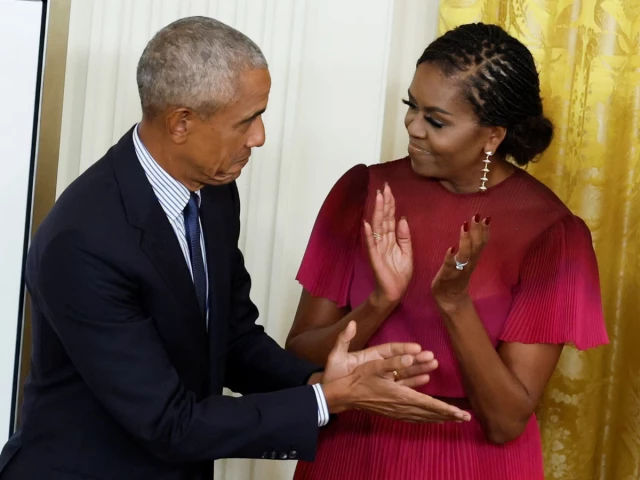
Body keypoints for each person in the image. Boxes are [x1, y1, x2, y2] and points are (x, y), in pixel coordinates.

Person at [0, 17, 472, 480]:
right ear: (181, 123)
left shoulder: (215, 190)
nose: (259, 137)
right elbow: (169, 423)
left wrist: (320, 380)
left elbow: (232, 339)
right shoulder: (83, 241)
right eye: (247, 120)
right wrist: (328, 400)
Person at [286, 22, 609, 480]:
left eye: (435, 121)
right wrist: (381, 302)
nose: (413, 128)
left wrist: (455, 303)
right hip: (353, 451)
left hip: (473, 460)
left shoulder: (552, 234)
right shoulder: (364, 192)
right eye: (410, 107)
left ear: (492, 136)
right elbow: (297, 359)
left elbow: (505, 421)